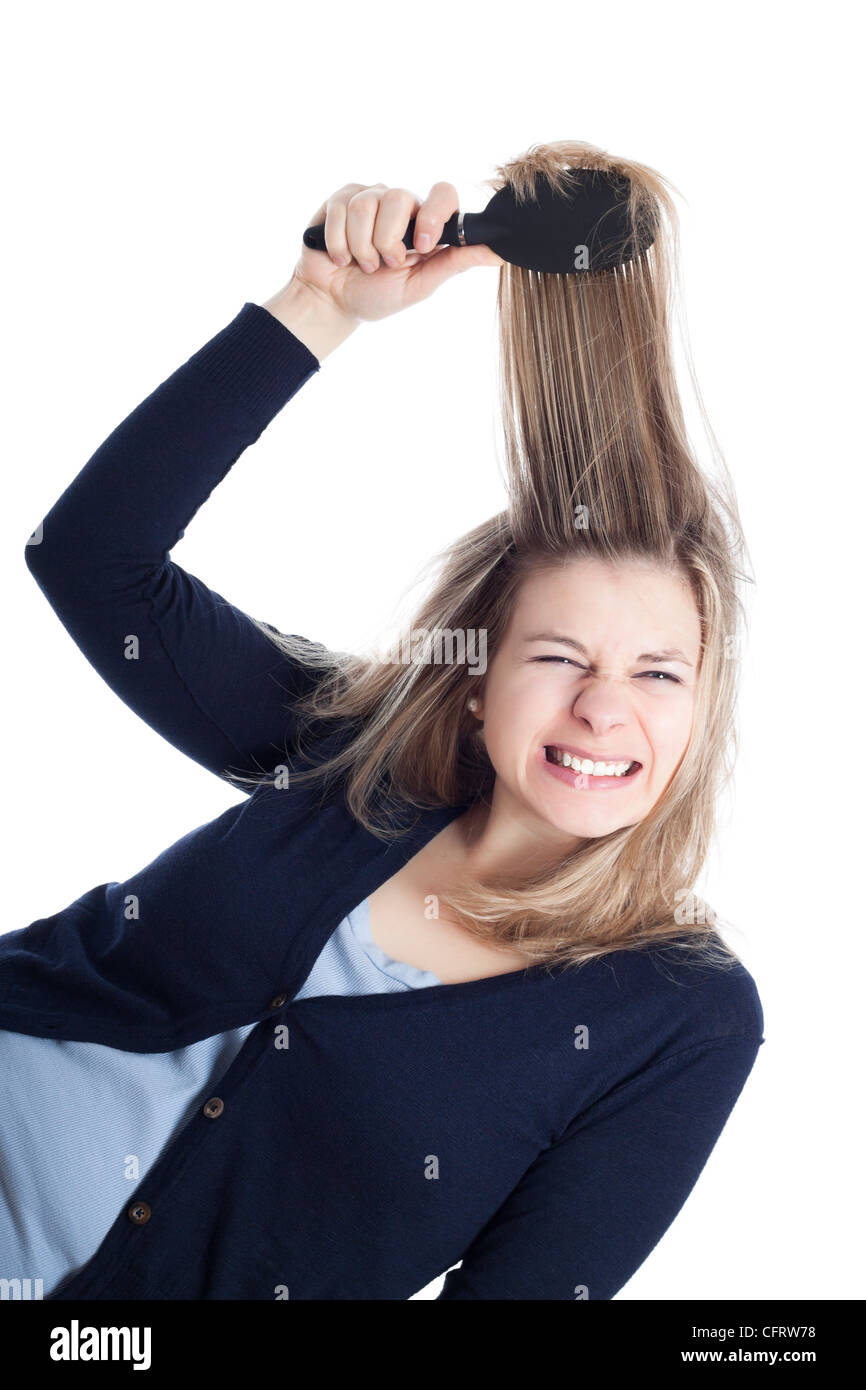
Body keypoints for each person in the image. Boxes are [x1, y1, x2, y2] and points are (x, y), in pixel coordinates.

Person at [1, 140, 764, 1302]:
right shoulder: (353, 754)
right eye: (557, 656)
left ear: (701, 707)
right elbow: (93, 558)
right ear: (474, 674)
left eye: (659, 672)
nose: (604, 707)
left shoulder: (675, 1015)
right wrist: (319, 305)